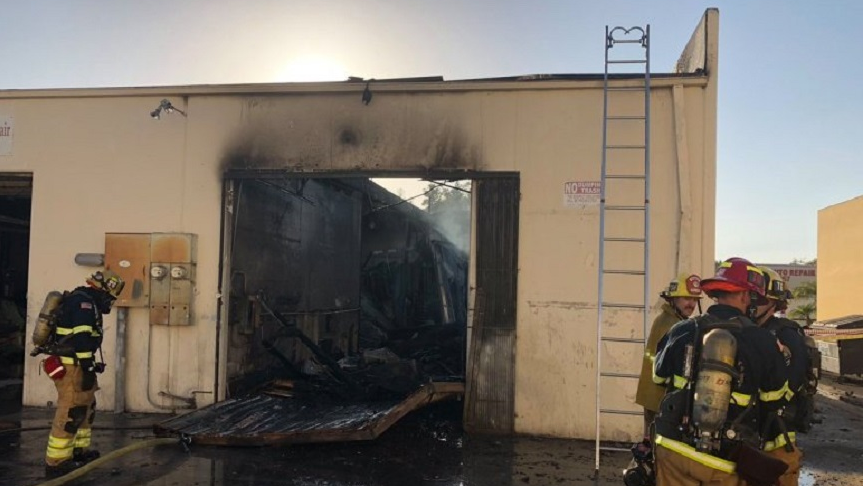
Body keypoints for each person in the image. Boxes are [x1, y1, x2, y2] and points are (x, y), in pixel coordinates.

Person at [652, 258, 791, 486]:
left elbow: (658, 376)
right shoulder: (763, 340)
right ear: (746, 296)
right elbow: (776, 396)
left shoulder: (682, 329)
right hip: (726, 460)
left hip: (674, 449)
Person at [39, 270, 125, 477]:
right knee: (71, 410)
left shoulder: (85, 302)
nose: (111, 302)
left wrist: (88, 366)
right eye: (110, 297)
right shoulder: (83, 304)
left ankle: (78, 452)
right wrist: (87, 367)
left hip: (80, 364)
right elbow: (82, 338)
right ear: (103, 291)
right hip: (73, 367)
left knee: (86, 408)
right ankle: (57, 462)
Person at [754, 266, 813, 486]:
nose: (752, 304)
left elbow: (792, 381)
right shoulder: (750, 332)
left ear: (774, 303)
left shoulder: (786, 334)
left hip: (778, 432)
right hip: (753, 431)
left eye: (759, 299)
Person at [636, 273, 703, 432]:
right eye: (686, 299)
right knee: (657, 445)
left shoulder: (671, 320)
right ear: (672, 299)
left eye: (694, 300)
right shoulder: (673, 325)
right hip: (660, 396)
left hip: (654, 395)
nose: (691, 304)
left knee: (651, 443)